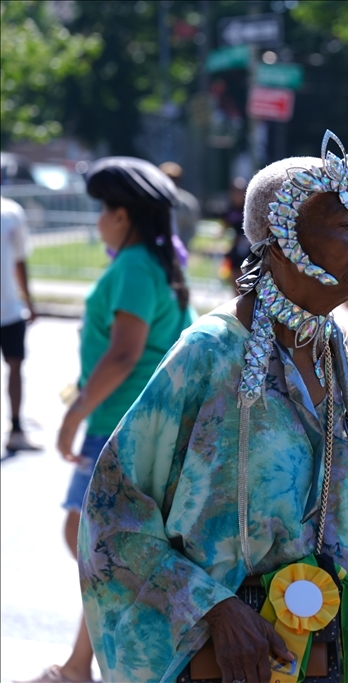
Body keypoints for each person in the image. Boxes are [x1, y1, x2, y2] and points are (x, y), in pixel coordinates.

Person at [77, 132, 348, 683]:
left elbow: (334, 516)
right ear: (280, 238)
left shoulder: (336, 350)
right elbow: (115, 513)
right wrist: (216, 609)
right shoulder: (212, 351)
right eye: (346, 225)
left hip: (328, 658)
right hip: (225, 661)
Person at [19, 158, 196, 683]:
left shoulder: (135, 267)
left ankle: (84, 663)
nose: (97, 221)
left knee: (93, 539)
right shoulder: (155, 263)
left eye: (101, 210)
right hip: (132, 420)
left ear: (122, 215)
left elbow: (124, 354)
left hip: (120, 422)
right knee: (102, 544)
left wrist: (73, 416)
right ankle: (81, 663)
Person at [0, 195, 39, 452]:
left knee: (16, 367)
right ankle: (16, 429)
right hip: (9, 306)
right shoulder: (10, 211)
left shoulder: (11, 211)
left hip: (9, 308)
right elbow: (20, 261)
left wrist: (28, 300)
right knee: (15, 367)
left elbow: (19, 259)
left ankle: (16, 429)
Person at [159, 161, 201, 250]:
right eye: (167, 178)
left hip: (179, 249)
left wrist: (180, 246)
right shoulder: (153, 201)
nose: (170, 182)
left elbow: (191, 229)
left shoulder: (187, 203)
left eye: (174, 178)